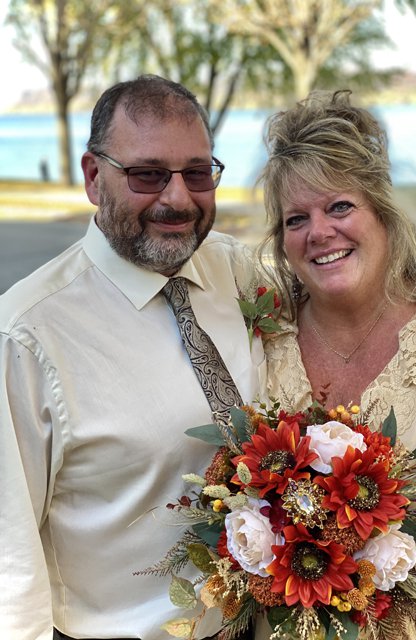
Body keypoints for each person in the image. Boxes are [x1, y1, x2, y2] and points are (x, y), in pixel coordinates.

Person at [0, 75, 265, 640]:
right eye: (148, 174)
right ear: (94, 177)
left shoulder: (235, 270)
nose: (178, 199)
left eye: (198, 172)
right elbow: (8, 559)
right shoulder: (26, 335)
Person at [257, 90, 416, 638]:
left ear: (382, 213)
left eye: (339, 206)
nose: (319, 232)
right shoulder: (259, 344)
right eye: (295, 219)